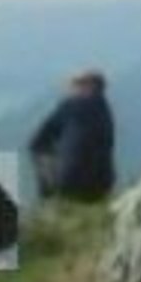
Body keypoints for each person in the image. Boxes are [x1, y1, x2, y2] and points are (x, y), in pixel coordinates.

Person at [29, 69, 116, 202]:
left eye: (75, 86)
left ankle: (49, 198)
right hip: (102, 184)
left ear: (87, 87)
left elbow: (37, 141)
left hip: (71, 182)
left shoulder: (70, 106)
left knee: (39, 150)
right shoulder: (106, 111)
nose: (71, 91)